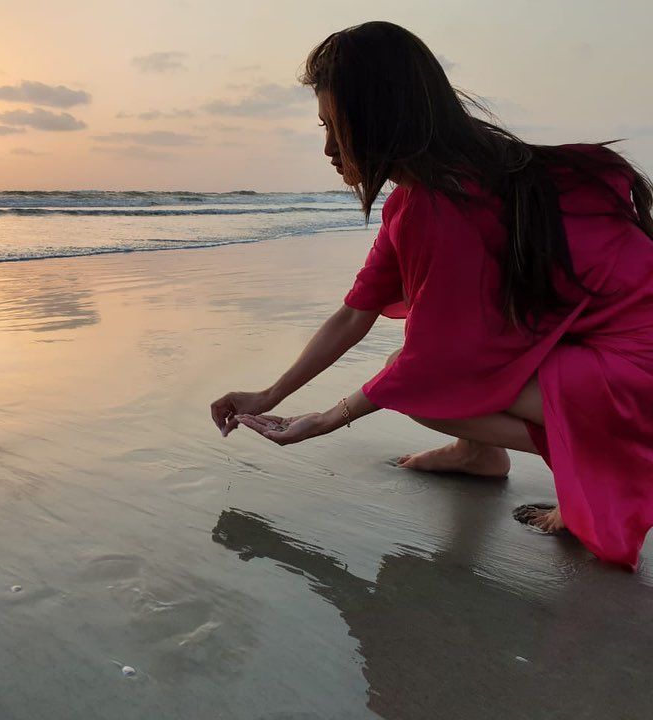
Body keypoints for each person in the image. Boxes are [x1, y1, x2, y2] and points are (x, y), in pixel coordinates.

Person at [210, 21, 653, 570]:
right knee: (428, 367)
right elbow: (353, 315)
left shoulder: (441, 204)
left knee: (416, 385)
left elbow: (434, 363)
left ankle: (588, 465)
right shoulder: (446, 185)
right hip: (615, 357)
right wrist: (269, 395)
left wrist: (322, 420)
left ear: (379, 118)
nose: (327, 148)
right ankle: (478, 454)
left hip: (637, 374)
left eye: (335, 127)